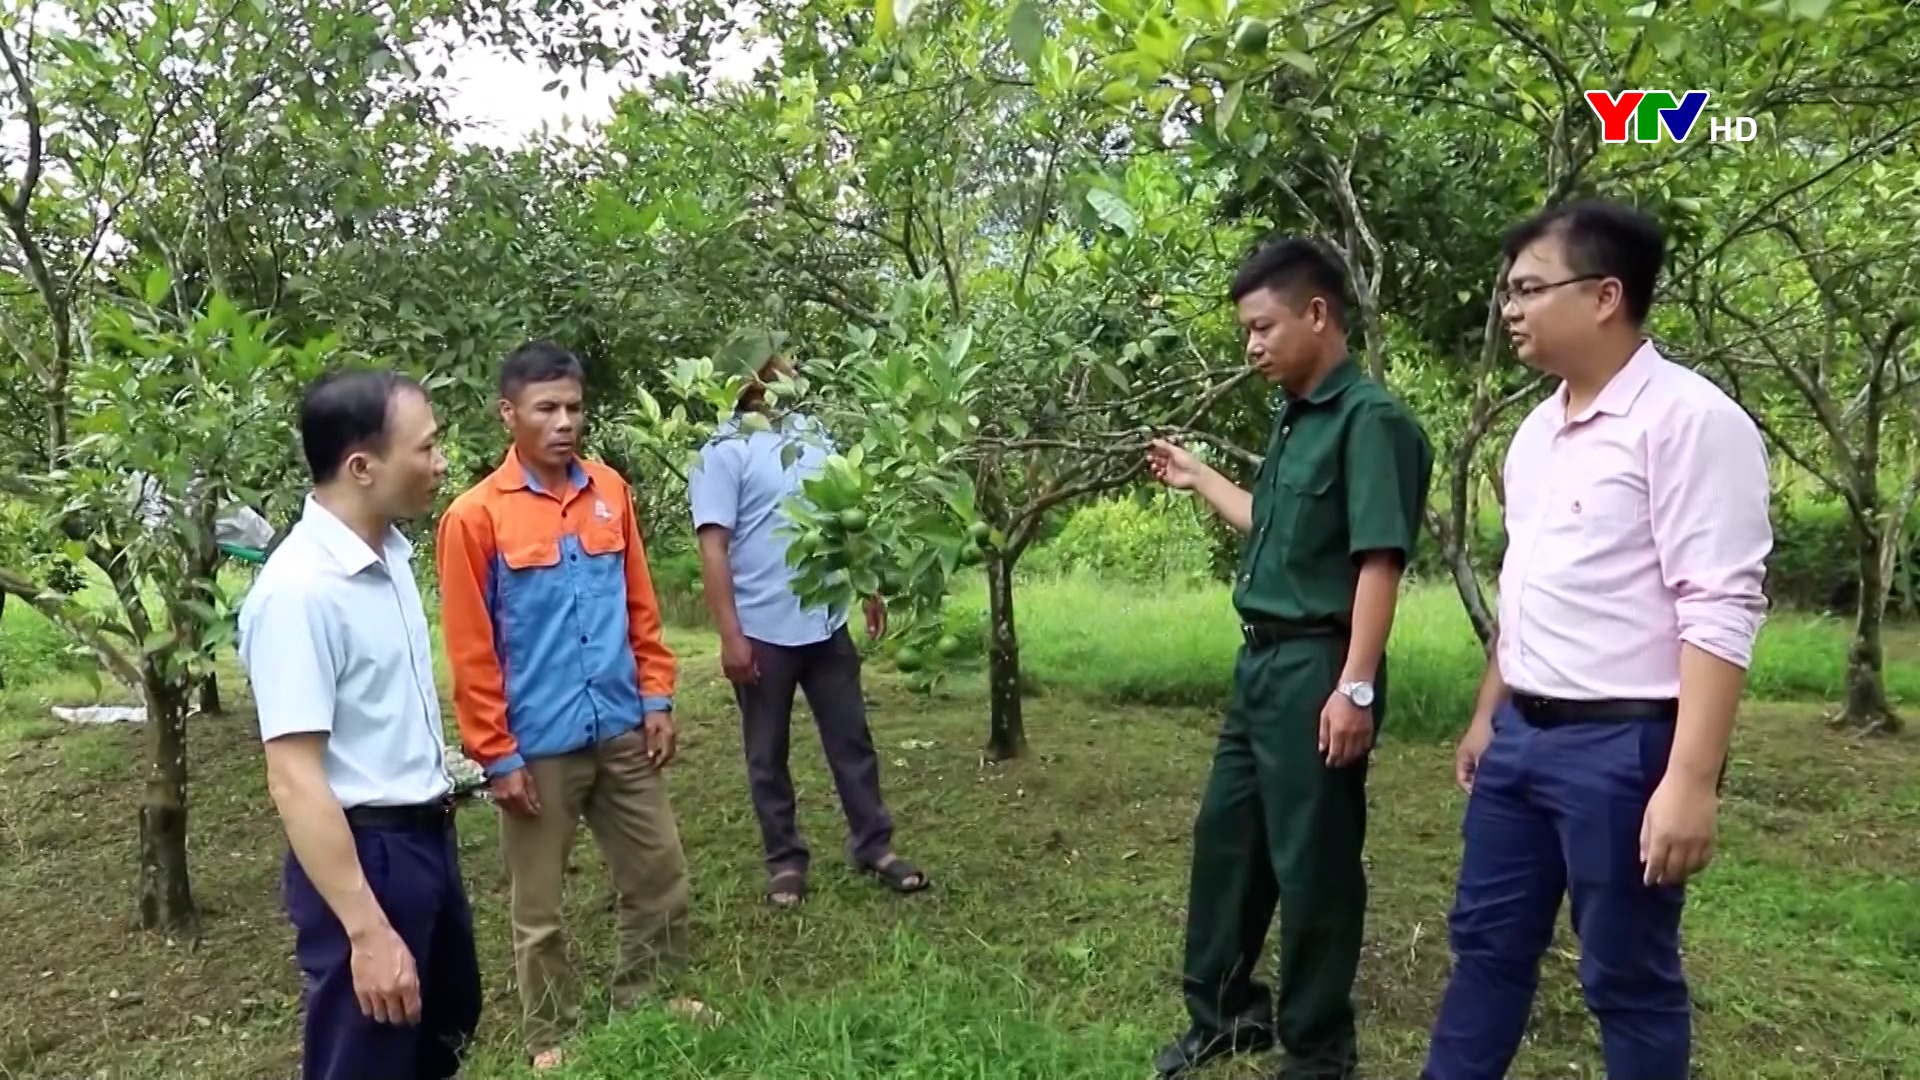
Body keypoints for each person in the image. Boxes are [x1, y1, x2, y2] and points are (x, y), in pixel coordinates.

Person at [1419, 200, 1772, 1080]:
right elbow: (1530, 591)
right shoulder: (1536, 432)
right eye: (1508, 291)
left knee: (1625, 973)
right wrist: (1486, 715)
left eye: (1529, 289)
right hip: (1521, 741)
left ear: (1607, 295)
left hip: (1626, 745)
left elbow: (1720, 607)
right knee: (1487, 947)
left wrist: (1690, 782)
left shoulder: (1692, 422)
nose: (1510, 309)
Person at [1145, 237, 1434, 1080]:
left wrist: (1356, 684)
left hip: (1320, 666)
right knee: (1229, 841)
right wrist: (1201, 479)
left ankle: (1317, 1051)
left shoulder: (1371, 423)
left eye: (1262, 327)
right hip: (1261, 666)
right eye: (1245, 331)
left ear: (1317, 314)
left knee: (1314, 867)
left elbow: (1378, 561)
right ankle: (1230, 1014)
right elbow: (1275, 528)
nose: (1252, 346)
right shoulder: (1295, 416)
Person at [436, 340, 708, 1072]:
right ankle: (552, 1033)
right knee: (539, 910)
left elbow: (639, 604)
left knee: (660, 874)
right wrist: (495, 753)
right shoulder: (475, 518)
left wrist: (658, 697)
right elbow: (471, 650)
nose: (564, 422)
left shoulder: (610, 491)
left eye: (574, 407)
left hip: (622, 725)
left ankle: (649, 997)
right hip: (538, 747)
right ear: (509, 414)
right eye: (546, 408)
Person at [237, 368, 480, 1080]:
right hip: (366, 853)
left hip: (426, 836)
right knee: (368, 1054)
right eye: (426, 449)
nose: (441, 464)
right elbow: (294, 778)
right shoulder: (300, 593)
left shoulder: (390, 554)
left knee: (442, 1034)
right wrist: (367, 930)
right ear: (362, 467)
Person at [688, 354, 928, 906]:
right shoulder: (723, 451)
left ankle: (874, 844)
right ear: (753, 378)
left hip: (823, 623)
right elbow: (714, 548)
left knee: (852, 741)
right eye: (784, 367)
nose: (795, 376)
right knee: (767, 754)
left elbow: (846, 514)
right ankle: (785, 861)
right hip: (762, 630)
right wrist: (730, 635)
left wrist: (867, 587)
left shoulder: (815, 436)